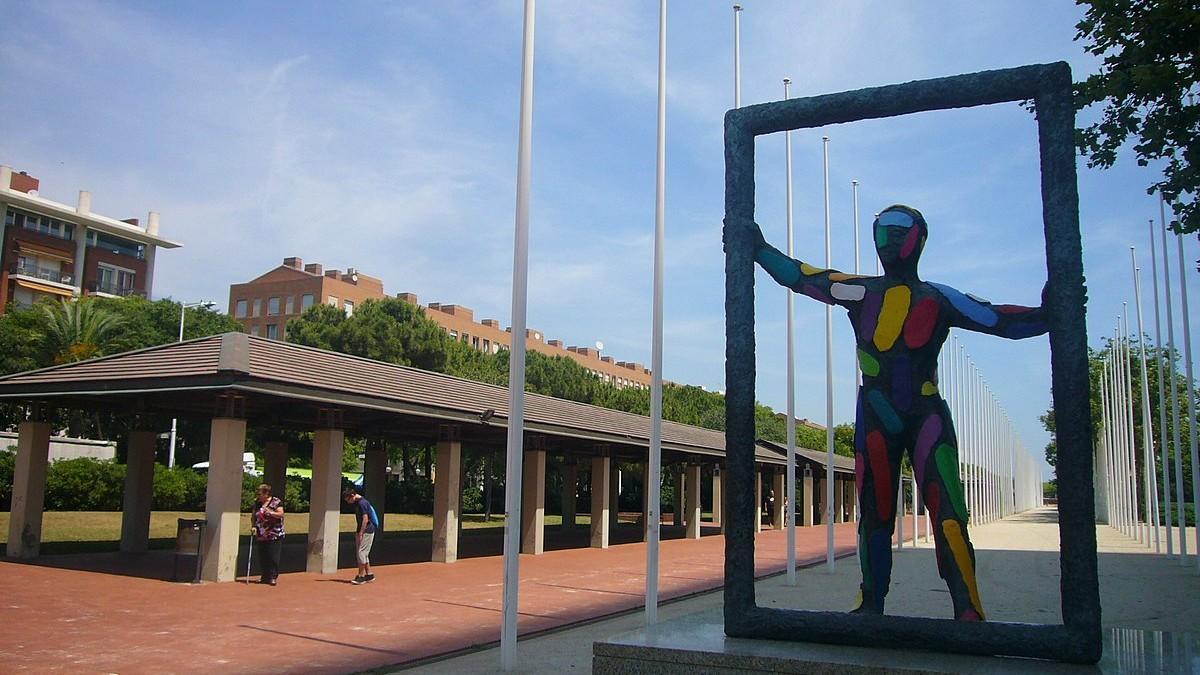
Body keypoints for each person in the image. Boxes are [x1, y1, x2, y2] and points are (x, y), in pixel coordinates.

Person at [744, 205, 1047, 621]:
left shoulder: (937, 299)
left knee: (948, 512)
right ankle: (872, 602)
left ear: (919, 238)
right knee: (875, 512)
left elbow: (997, 318)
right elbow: (803, 277)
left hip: (924, 415)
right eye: (880, 230)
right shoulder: (863, 291)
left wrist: (1048, 314)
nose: (886, 239)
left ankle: (968, 608)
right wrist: (758, 249)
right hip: (879, 414)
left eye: (896, 230)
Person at [251, 484, 285, 586]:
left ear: (266, 493)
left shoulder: (276, 502)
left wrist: (270, 513)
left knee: (273, 556)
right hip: (261, 533)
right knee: (263, 556)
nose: (258, 495)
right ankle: (265, 576)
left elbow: (281, 514)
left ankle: (273, 576)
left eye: (260, 493)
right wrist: (253, 526)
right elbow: (253, 516)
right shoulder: (257, 503)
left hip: (274, 533)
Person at [344, 488, 378, 585]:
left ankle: (360, 576)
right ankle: (369, 574)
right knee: (364, 553)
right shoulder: (359, 502)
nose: (348, 502)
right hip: (363, 530)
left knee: (361, 553)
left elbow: (365, 519)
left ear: (352, 496)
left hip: (367, 530)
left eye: (348, 499)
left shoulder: (362, 503)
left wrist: (361, 533)